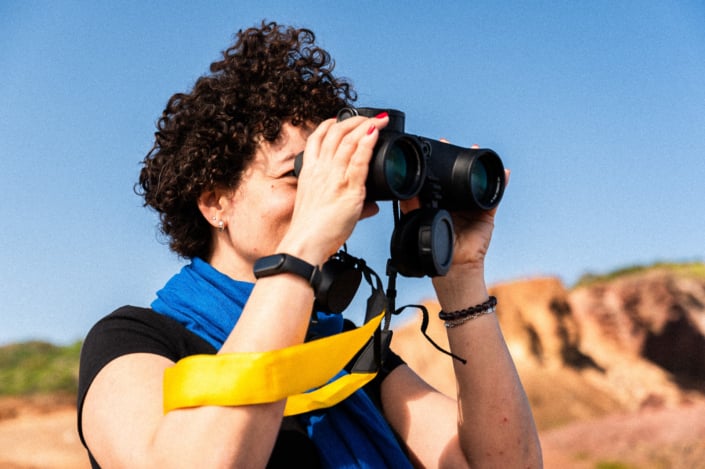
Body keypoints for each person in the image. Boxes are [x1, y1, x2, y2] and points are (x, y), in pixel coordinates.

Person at [77, 21, 542, 468]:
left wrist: (461, 277)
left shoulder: (345, 355)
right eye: (296, 175)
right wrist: (303, 246)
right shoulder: (134, 341)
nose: (320, 193)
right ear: (215, 202)